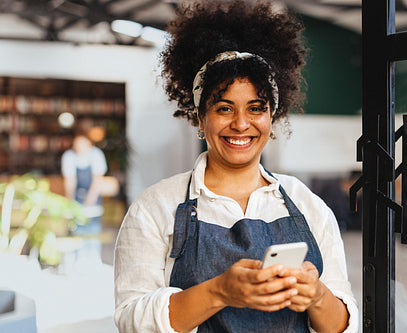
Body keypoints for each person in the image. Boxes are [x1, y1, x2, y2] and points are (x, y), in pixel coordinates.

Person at [114, 1, 359, 332]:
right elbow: (131, 321)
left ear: (272, 118)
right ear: (200, 118)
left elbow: (345, 325)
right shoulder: (155, 207)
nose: (241, 124)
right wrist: (219, 291)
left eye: (256, 108)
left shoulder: (307, 204)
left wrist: (317, 298)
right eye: (224, 108)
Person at [61, 128, 108, 262]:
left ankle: (93, 257)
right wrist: (70, 200)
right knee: (76, 228)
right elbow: (70, 180)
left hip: (93, 196)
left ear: (89, 144)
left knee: (92, 227)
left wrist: (90, 199)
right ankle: (77, 258)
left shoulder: (96, 155)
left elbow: (97, 179)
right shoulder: (69, 156)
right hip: (76, 196)